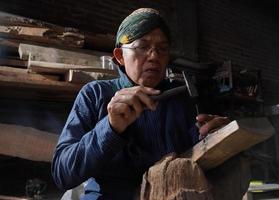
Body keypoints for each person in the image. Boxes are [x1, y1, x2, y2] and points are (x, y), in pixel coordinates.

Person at [51, 8, 241, 200]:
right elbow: (62, 174)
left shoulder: (181, 97)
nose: (154, 56)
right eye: (142, 46)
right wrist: (110, 128)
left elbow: (199, 159)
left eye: (162, 49)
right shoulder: (96, 94)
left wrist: (218, 141)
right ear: (119, 56)